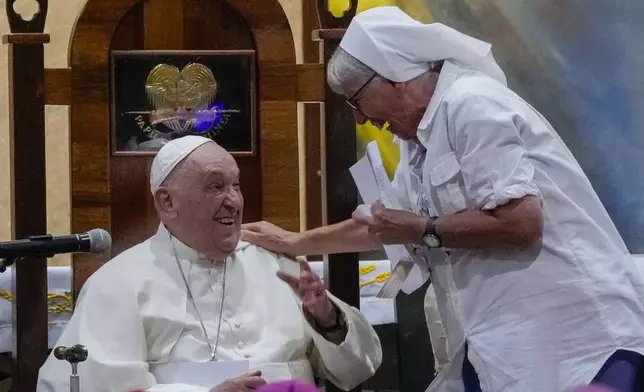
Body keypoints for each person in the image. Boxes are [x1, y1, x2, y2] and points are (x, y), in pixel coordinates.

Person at [240, 6, 644, 392]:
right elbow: (384, 226)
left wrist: (424, 229)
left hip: (572, 334)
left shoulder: (472, 105)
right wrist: (294, 241)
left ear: (393, 78)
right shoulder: (419, 141)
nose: (361, 118)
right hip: (507, 336)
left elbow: (522, 225)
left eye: (355, 100)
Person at [37, 136, 382, 392]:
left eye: (236, 185)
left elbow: (356, 371)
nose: (233, 201)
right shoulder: (119, 282)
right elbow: (89, 386)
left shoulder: (278, 266)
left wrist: (328, 320)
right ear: (167, 201)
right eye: (215, 186)